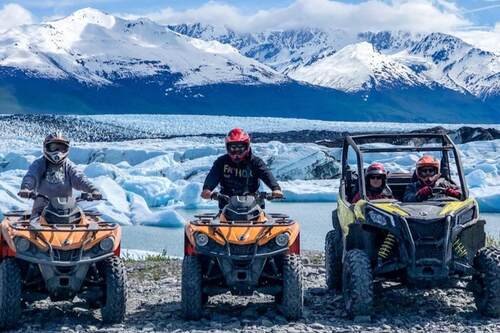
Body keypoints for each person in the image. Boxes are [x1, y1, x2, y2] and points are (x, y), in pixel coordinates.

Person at [18, 132, 102, 219]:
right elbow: (31, 176)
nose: (58, 152)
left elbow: (79, 178)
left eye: (62, 148)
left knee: (79, 224)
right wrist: (26, 188)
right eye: (54, 148)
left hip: (67, 208)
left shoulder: (69, 165)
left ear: (67, 149)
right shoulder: (39, 164)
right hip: (41, 207)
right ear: (46, 147)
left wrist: (93, 189)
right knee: (34, 227)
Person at [201, 128, 283, 208]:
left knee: (262, 218)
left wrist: (275, 188)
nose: (236, 153)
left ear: (247, 146)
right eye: (233, 148)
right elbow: (213, 175)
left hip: (254, 203)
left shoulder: (256, 162)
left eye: (240, 148)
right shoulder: (221, 162)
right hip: (227, 204)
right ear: (227, 147)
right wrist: (207, 189)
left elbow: (266, 174)